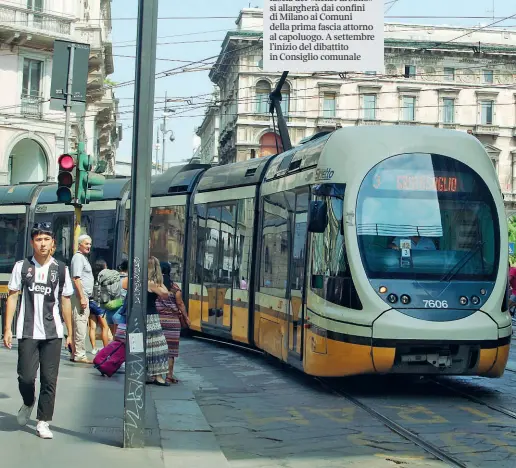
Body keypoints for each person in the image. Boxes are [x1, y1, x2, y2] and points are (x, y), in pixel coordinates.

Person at [3, 222, 74, 439]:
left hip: (53, 334)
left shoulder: (61, 269)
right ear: (33, 242)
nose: (42, 244)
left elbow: (65, 301)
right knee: (25, 377)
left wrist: (70, 333)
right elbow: (13, 297)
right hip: (27, 331)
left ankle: (43, 421)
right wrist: (7, 328)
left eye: (46, 239)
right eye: (38, 239)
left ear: (53, 242)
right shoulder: (22, 267)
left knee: (49, 380)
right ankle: (27, 402)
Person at [146, 257, 172, 386]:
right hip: (151, 317)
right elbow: (165, 294)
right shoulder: (151, 283)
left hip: (146, 316)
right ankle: (158, 376)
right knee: (159, 347)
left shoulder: (144, 281)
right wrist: (160, 282)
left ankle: (150, 374)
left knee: (149, 346)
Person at [70, 234, 94, 363]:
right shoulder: (79, 258)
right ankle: (80, 354)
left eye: (90, 244)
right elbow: (76, 279)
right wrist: (82, 298)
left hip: (83, 295)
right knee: (80, 324)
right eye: (86, 244)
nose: (89, 246)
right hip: (81, 296)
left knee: (78, 324)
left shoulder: (82, 258)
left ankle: (75, 352)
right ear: (80, 245)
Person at [88, 259, 111, 354]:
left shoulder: (91, 276)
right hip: (99, 304)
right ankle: (106, 349)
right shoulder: (104, 277)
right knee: (105, 327)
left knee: (92, 327)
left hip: (91, 302)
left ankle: (94, 348)